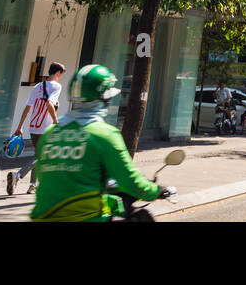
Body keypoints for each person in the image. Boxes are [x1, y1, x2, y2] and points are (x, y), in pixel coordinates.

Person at [30, 64, 171, 221]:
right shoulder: (105, 134)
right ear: (104, 98)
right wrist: (155, 190)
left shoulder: (49, 133)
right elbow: (131, 181)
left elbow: (58, 179)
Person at [8, 62, 65, 196]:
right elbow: (49, 103)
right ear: (58, 73)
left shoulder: (38, 86)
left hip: (33, 127)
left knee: (37, 155)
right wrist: (56, 122)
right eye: (61, 74)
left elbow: (27, 108)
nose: (61, 77)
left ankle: (33, 186)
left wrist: (20, 127)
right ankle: (18, 175)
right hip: (46, 128)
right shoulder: (57, 86)